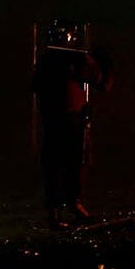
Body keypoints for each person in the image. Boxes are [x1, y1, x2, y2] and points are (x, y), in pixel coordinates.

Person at [30, 19, 112, 229]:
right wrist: (103, 61)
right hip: (71, 119)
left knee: (54, 162)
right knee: (75, 161)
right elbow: (103, 84)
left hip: (51, 118)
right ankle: (72, 203)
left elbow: (35, 86)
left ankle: (55, 208)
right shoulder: (75, 58)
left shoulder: (45, 60)